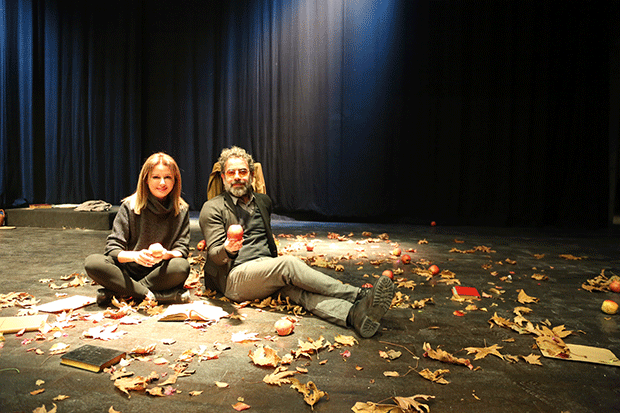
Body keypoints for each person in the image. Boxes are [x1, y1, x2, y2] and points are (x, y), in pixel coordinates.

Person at [199, 146, 395, 338]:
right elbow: (215, 255)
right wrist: (228, 248)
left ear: (251, 175)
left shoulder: (263, 201)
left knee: (299, 294)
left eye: (242, 172)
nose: (237, 177)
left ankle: (355, 316)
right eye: (231, 172)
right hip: (234, 277)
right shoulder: (212, 208)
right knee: (288, 264)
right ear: (223, 177)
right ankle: (359, 295)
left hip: (265, 271)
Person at [85, 152, 191, 305]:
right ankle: (149, 294)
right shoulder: (129, 206)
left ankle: (122, 292)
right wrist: (136, 256)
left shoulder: (181, 209)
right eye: (156, 177)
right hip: (127, 273)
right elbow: (113, 249)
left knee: (181, 266)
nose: (162, 183)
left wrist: (165, 254)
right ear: (146, 179)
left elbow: (181, 250)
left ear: (175, 180)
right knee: (93, 262)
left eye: (168, 177)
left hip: (160, 274)